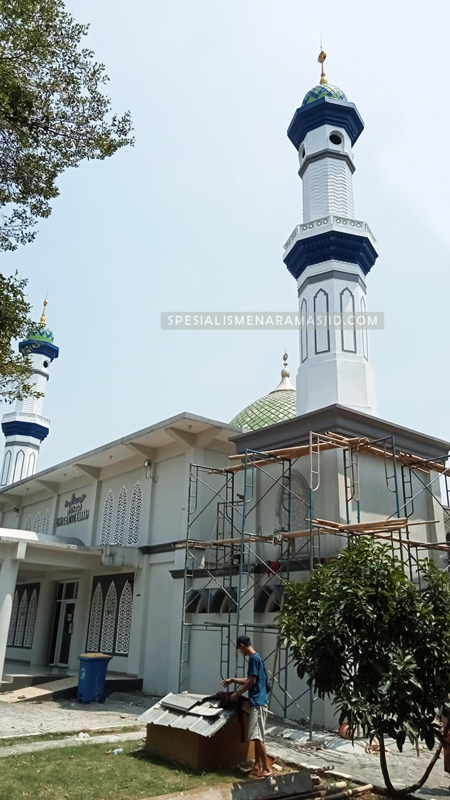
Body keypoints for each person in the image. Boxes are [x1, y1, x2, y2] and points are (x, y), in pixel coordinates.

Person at [222, 634, 272, 778]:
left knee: (257, 736)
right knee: (257, 736)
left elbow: (252, 681)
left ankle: (267, 769)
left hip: (257, 702)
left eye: (240, 649)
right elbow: (249, 678)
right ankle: (258, 767)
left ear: (242, 646)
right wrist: (233, 680)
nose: (241, 652)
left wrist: (237, 694)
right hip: (258, 701)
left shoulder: (253, 659)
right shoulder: (257, 658)